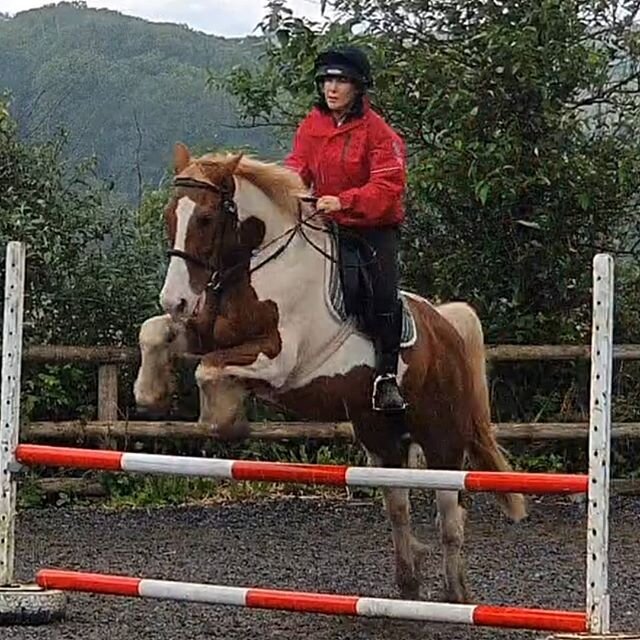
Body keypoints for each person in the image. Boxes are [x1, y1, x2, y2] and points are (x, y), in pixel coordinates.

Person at [284, 45, 408, 413]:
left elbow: (387, 188)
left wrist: (344, 201)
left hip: (371, 228)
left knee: (382, 293)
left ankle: (387, 377)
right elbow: (297, 165)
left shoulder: (380, 133)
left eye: (340, 81)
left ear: (358, 88)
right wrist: (289, 188)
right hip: (325, 224)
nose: (331, 88)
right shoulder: (312, 125)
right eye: (326, 81)